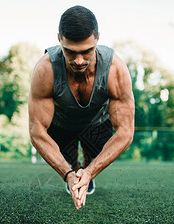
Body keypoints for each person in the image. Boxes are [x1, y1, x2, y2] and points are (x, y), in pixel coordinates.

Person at [28, 5, 134, 209]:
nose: (78, 60)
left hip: (97, 124)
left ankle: (85, 169)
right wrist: (68, 174)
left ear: (97, 38)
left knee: (92, 159)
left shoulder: (115, 69)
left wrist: (91, 171)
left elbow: (126, 132)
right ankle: (76, 170)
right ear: (59, 39)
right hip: (61, 125)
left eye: (87, 52)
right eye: (70, 51)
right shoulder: (45, 69)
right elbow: (36, 131)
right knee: (69, 164)